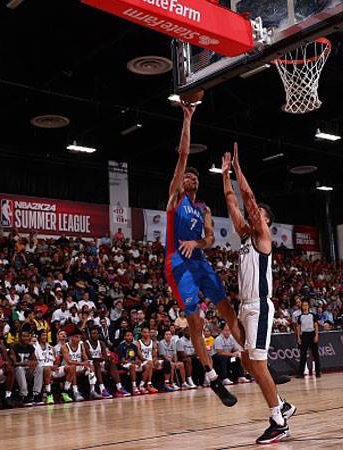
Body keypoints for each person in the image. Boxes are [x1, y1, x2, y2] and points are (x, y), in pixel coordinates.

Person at [163, 102, 239, 407]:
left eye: (193, 177)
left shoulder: (203, 208)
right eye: (186, 177)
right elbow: (183, 155)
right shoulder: (175, 200)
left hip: (199, 260)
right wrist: (187, 118)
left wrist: (199, 244)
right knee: (195, 322)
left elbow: (209, 238)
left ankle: (254, 358)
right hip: (177, 262)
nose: (189, 178)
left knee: (227, 309)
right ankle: (210, 376)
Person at [222, 144, 296, 444]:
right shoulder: (245, 236)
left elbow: (248, 200)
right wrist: (225, 175)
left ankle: (278, 421)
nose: (254, 216)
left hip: (259, 308)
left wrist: (239, 170)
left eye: (260, 215)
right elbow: (231, 202)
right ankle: (284, 405)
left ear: (266, 222)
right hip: (245, 306)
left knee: (258, 363)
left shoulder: (263, 237)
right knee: (248, 362)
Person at [85, 327, 126, 398]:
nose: (95, 335)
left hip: (100, 362)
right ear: (90, 334)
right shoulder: (86, 344)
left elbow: (105, 356)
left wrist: (106, 359)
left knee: (111, 363)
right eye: (93, 333)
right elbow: (90, 357)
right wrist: (100, 359)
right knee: (96, 363)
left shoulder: (101, 343)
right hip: (91, 365)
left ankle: (119, 387)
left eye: (97, 333)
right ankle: (102, 389)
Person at [11, 329, 43, 406]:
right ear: (19, 337)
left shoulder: (31, 347)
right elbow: (14, 363)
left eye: (27, 336)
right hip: (16, 372)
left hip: (27, 371)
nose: (26, 338)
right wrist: (25, 363)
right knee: (20, 368)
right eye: (24, 336)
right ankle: (24, 395)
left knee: (39, 368)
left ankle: (36, 394)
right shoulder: (14, 347)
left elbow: (34, 360)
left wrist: (33, 363)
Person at [62, 329, 96, 401]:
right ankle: (75, 392)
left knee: (91, 364)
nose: (79, 339)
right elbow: (69, 361)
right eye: (77, 337)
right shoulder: (65, 346)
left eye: (80, 337)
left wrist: (87, 363)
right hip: (68, 367)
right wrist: (82, 363)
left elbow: (85, 357)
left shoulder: (81, 345)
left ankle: (92, 390)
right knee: (73, 367)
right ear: (72, 338)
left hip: (79, 365)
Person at [296, 300, 321, 378]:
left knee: (315, 354)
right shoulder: (300, 317)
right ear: (302, 307)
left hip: (312, 334)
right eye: (303, 305)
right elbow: (299, 328)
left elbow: (316, 326)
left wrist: (316, 335)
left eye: (306, 305)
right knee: (303, 355)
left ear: (308, 306)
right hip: (304, 336)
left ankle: (318, 372)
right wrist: (299, 338)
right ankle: (301, 373)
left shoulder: (313, 315)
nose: (305, 307)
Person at [33, 330, 59, 404]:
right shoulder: (34, 347)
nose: (45, 337)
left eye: (46, 335)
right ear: (39, 337)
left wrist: (56, 366)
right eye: (43, 335)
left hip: (52, 369)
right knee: (47, 369)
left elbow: (56, 361)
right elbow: (34, 362)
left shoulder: (51, 347)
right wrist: (50, 367)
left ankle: (69, 392)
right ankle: (49, 394)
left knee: (69, 368)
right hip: (40, 370)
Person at [116, 330, 144, 395]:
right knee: (132, 366)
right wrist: (133, 362)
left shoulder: (134, 346)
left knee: (147, 365)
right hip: (124, 364)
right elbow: (122, 360)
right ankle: (134, 387)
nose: (129, 337)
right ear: (124, 337)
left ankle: (142, 385)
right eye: (128, 335)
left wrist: (138, 361)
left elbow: (136, 357)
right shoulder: (121, 346)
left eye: (131, 336)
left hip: (133, 363)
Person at [136, 327, 159, 394]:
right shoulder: (138, 343)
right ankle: (149, 384)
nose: (146, 334)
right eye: (145, 332)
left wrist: (154, 360)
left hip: (150, 361)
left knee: (165, 363)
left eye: (147, 332)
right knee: (149, 364)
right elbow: (141, 357)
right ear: (142, 333)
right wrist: (150, 361)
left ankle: (167, 383)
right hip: (142, 362)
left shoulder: (153, 343)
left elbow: (155, 356)